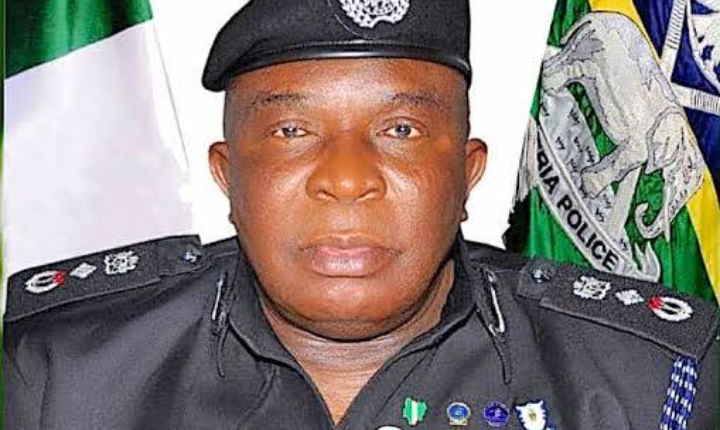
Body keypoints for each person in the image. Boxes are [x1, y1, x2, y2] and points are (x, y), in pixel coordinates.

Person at [4, 1, 717, 429]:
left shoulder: (654, 384)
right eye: (292, 131)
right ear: (227, 175)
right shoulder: (57, 372)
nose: (346, 180)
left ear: (467, 173)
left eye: (400, 130)